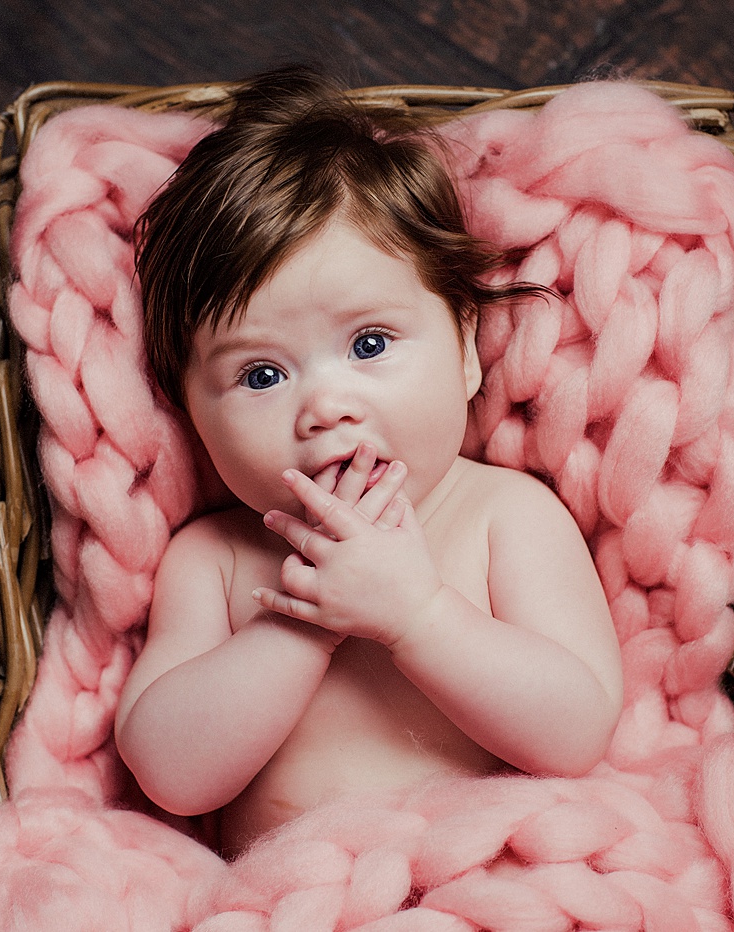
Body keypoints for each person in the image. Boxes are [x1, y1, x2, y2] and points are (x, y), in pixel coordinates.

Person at [115, 66, 622, 855]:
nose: (325, 407)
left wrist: (418, 615)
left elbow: (576, 731)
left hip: (480, 883)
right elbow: (170, 776)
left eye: (370, 344)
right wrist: (304, 629)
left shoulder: (505, 517)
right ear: (193, 419)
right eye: (261, 375)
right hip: (287, 904)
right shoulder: (212, 560)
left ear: (464, 351)